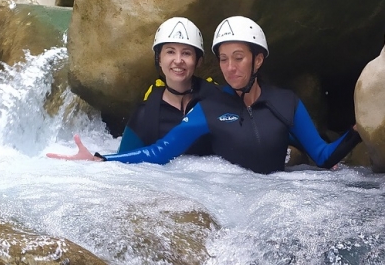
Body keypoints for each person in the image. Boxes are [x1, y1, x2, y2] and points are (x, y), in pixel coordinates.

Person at [47, 16, 362, 174]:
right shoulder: (209, 107)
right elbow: (160, 151)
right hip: (230, 207)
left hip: (279, 204)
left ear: (259, 60)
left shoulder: (287, 103)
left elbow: (322, 155)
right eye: (223, 59)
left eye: (238, 57)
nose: (230, 67)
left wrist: (358, 134)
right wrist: (101, 158)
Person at [117, 17, 220, 155]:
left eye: (186, 53)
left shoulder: (217, 102)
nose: (178, 60)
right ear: (159, 59)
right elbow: (119, 167)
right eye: (170, 52)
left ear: (198, 61)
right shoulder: (145, 115)